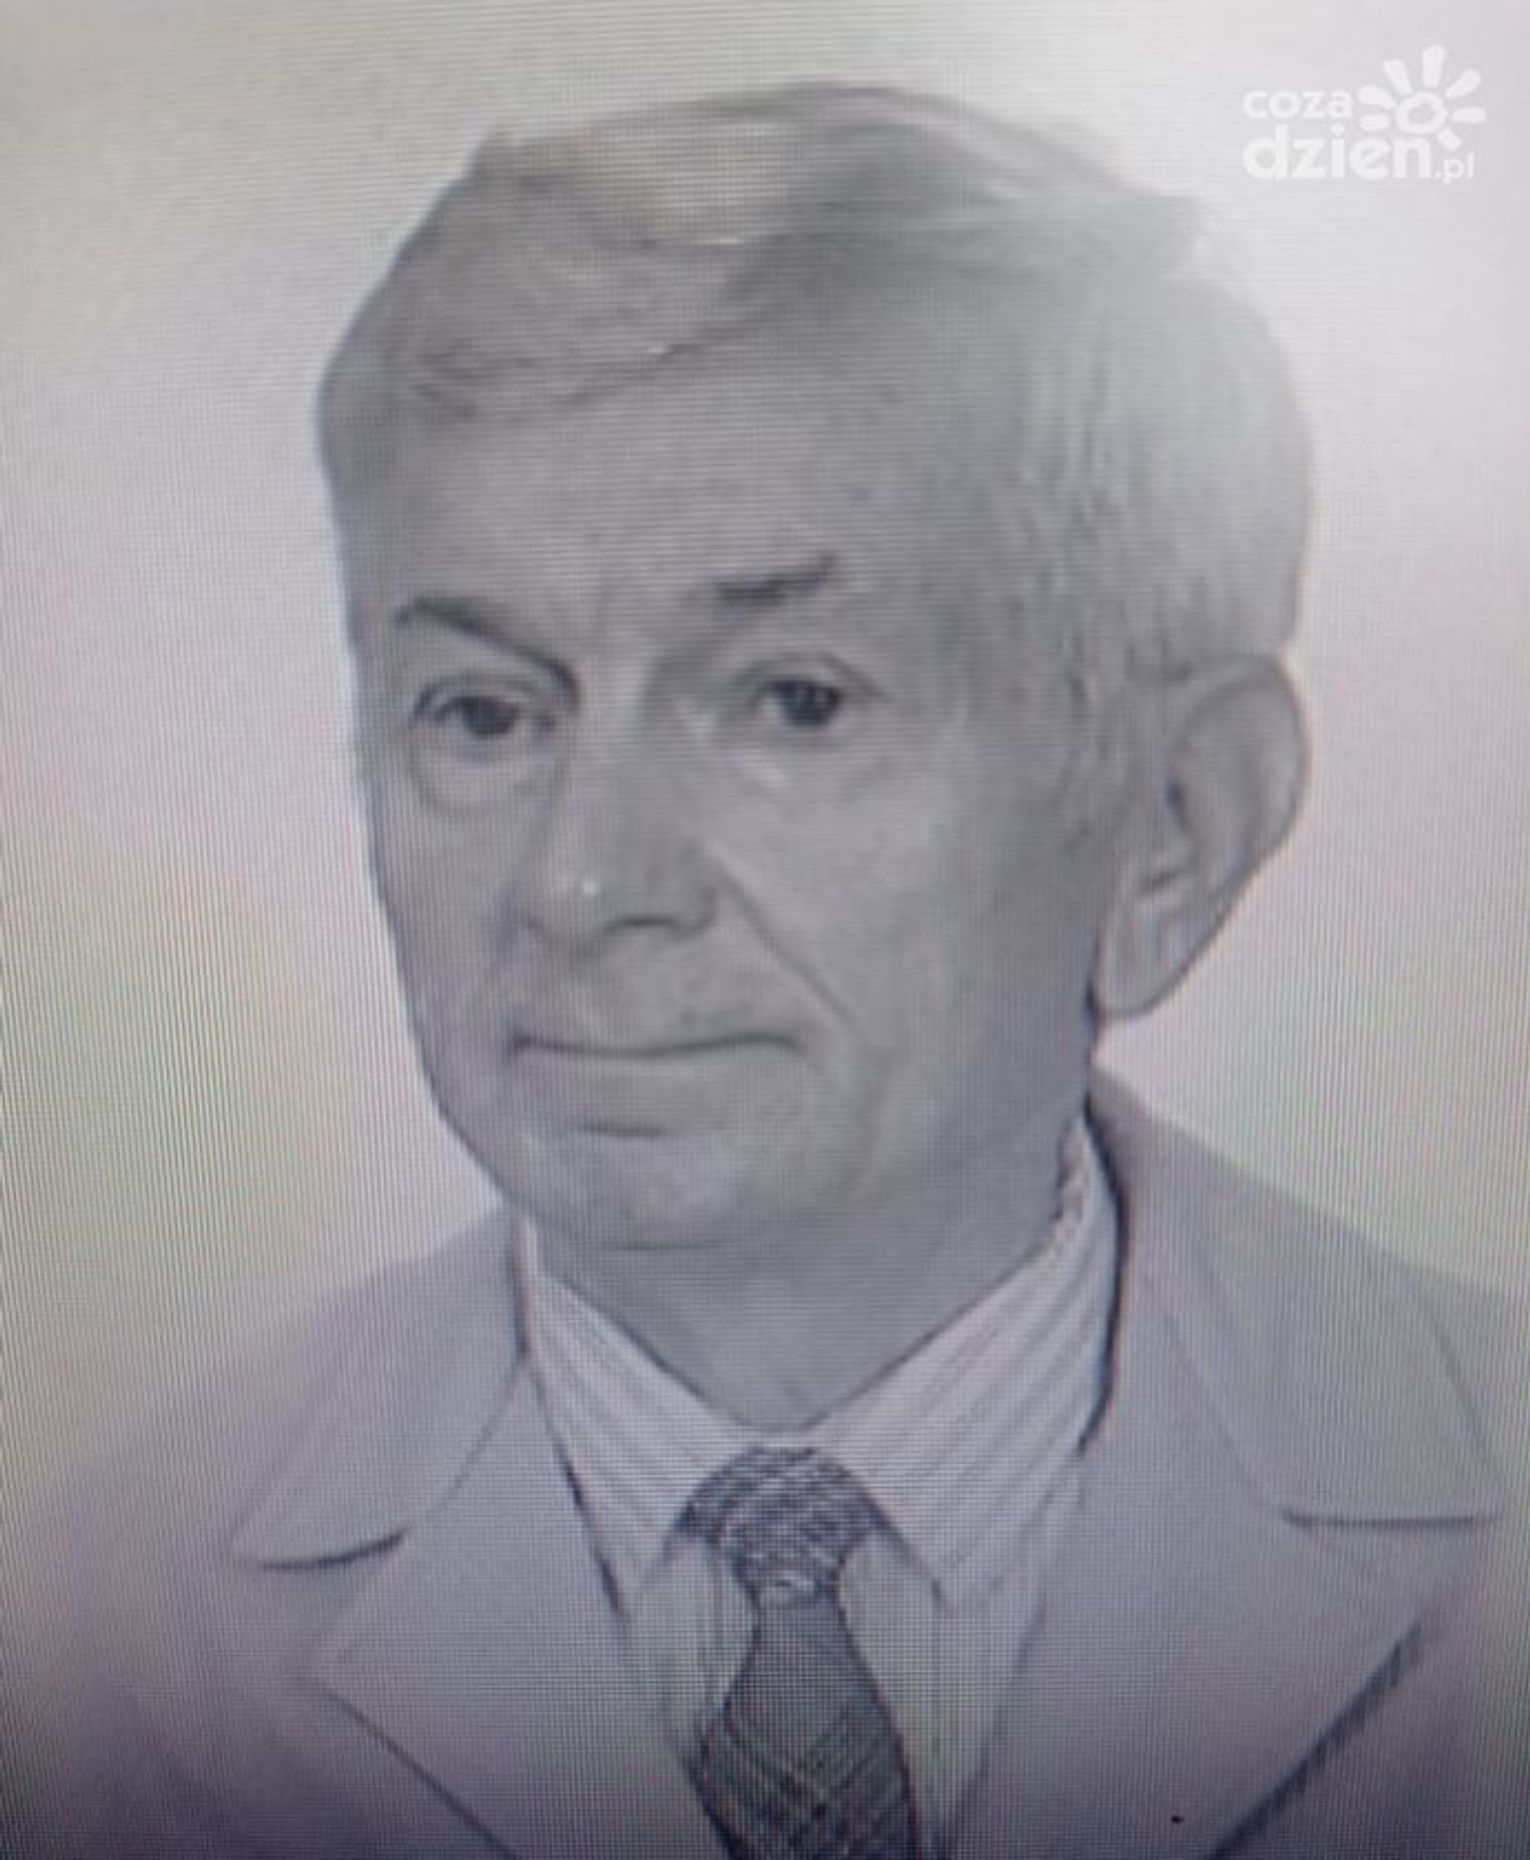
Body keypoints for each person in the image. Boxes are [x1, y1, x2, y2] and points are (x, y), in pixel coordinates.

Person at [8, 83, 1526, 1860]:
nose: (581, 883)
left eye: (794, 702)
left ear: (1170, 829)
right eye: (484, 712)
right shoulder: (92, 1626)